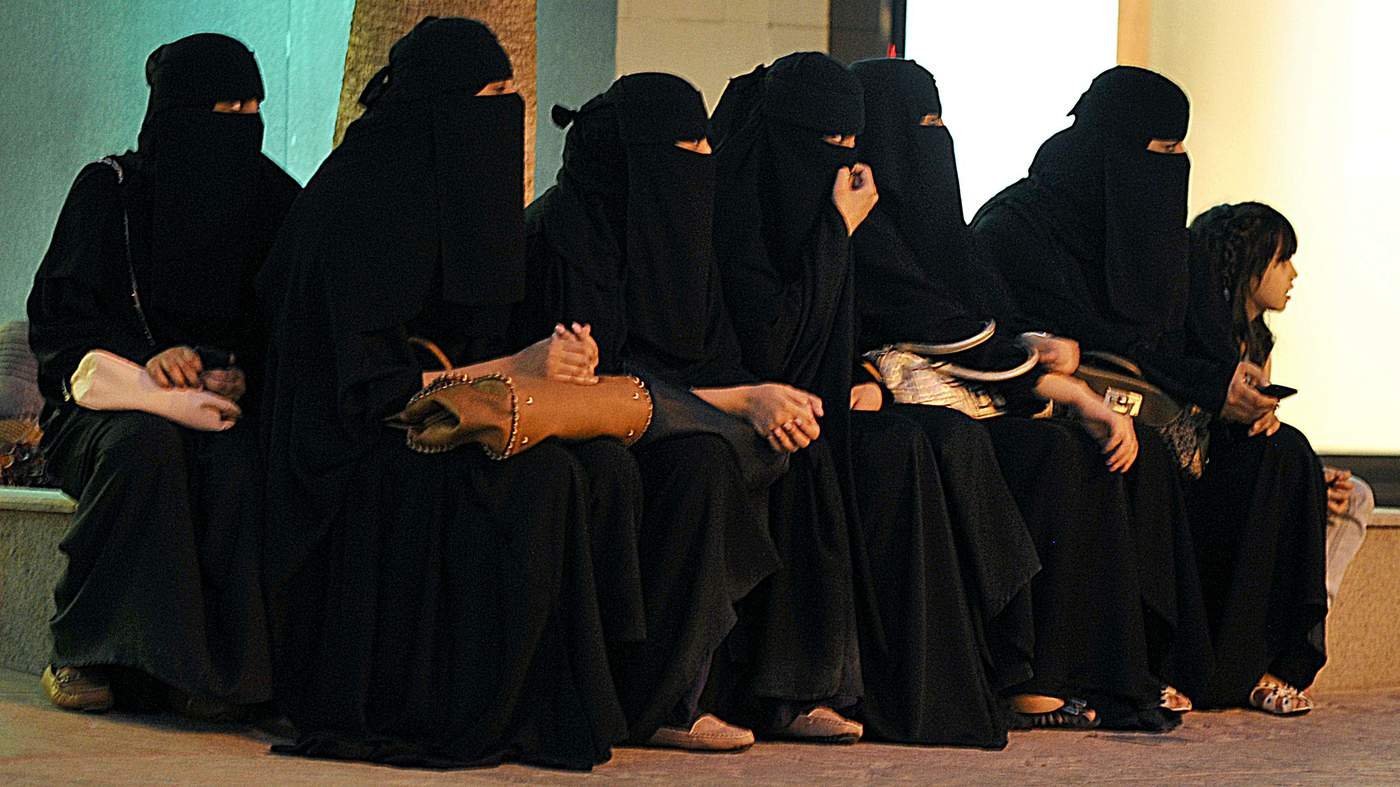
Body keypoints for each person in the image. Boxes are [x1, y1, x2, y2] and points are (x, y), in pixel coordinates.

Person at [257, 18, 637, 768]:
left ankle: (561, 705)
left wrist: (555, 358)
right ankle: (470, 708)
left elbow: (479, 338)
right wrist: (513, 369)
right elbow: (363, 389)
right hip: (347, 461)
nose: (502, 115)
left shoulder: (453, 192)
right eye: (488, 96)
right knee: (537, 481)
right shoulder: (354, 203)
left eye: (509, 95)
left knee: (601, 470)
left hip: (433, 422)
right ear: (437, 103)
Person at [850, 58, 1210, 731]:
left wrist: (1046, 355)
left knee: (1085, 452)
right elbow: (933, 323)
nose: (937, 140)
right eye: (921, 127)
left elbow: (984, 315)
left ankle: (1107, 669)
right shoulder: (874, 225)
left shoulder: (939, 226)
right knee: (1047, 452)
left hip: (982, 394)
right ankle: (1032, 677)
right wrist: (1067, 386)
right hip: (907, 408)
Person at [709, 51, 1046, 747]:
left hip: (828, 397)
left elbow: (841, 327)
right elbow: (770, 342)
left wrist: (857, 374)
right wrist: (837, 231)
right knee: (881, 452)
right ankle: (815, 687)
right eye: (827, 144)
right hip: (742, 401)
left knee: (933, 440)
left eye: (853, 144)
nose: (843, 160)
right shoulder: (741, 211)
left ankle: (967, 671)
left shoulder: (840, 207)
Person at [972, 67, 1324, 716]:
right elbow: (1075, 338)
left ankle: (1247, 668)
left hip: (1173, 418)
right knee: (1121, 455)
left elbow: (1199, 348)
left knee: (1282, 454)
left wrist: (1240, 388)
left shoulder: (1166, 237)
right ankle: (1137, 664)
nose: (1172, 168)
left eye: (1178, 153)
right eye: (1158, 153)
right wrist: (1208, 384)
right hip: (1063, 409)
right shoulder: (1019, 225)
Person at [522, 72, 800, 752]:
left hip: (669, 417)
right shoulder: (563, 234)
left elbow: (712, 355)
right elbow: (591, 376)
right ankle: (661, 698)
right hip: (581, 427)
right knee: (692, 463)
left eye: (708, 145)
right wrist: (741, 399)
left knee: (748, 452)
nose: (703, 162)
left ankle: (694, 691)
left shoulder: (686, 245)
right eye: (686, 146)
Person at [26, 33, 300, 717]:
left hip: (218, 410)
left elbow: (288, 321)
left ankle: (210, 671)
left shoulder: (271, 201)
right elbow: (61, 327)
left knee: (236, 463)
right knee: (142, 449)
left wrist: (241, 374)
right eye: (221, 108)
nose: (238, 126)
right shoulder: (110, 194)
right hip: (103, 406)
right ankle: (82, 649)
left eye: (251, 108)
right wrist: (146, 361)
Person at [1185, 202, 1339, 713]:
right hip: (1202, 473)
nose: (1293, 274)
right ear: (1249, 266)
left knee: (1344, 492)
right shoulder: (1197, 331)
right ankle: (1270, 661)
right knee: (1288, 456)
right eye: (1282, 260)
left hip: (1247, 463)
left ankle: (1288, 651)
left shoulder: (1259, 338)